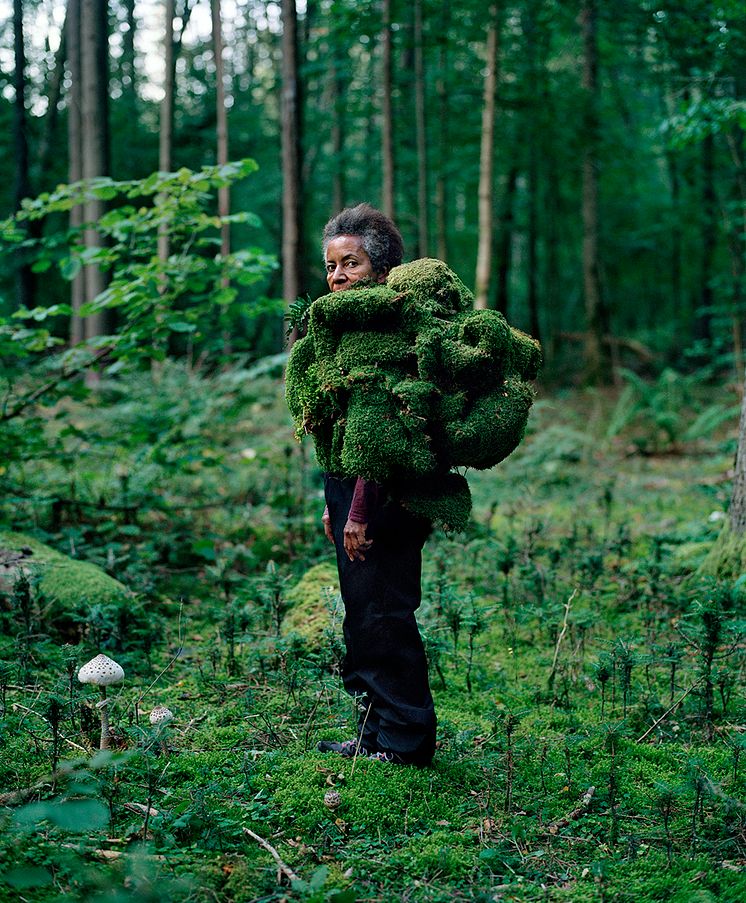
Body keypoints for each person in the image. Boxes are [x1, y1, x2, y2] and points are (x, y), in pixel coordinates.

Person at [315, 203, 437, 767]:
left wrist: (358, 512)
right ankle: (374, 734)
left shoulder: (389, 334)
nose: (338, 277)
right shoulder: (348, 330)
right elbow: (342, 432)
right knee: (361, 615)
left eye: (352, 264)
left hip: (384, 496)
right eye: (332, 266)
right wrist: (334, 507)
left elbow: (380, 436)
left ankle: (407, 742)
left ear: (382, 270)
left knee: (385, 615)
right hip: (352, 494)